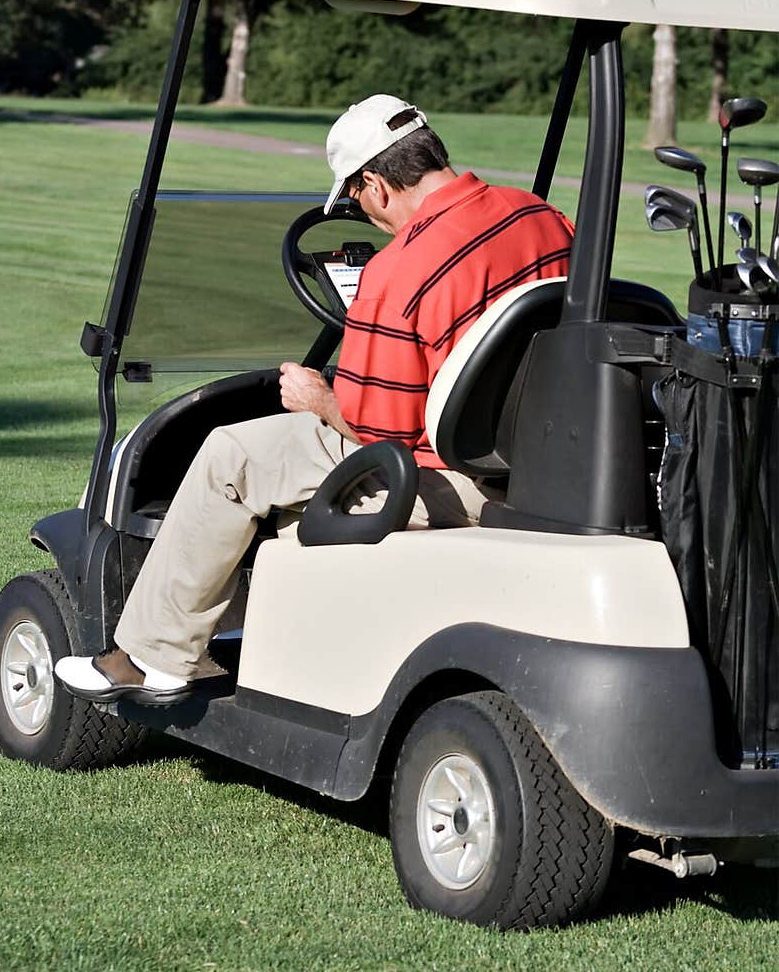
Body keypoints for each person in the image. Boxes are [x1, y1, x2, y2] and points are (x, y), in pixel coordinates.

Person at [56, 94, 574, 704]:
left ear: (376, 186)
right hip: (540, 455)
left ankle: (153, 655)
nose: (365, 212)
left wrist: (318, 396)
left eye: (355, 198)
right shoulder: (542, 217)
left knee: (233, 453)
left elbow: (377, 429)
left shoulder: (398, 271)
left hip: (446, 472)